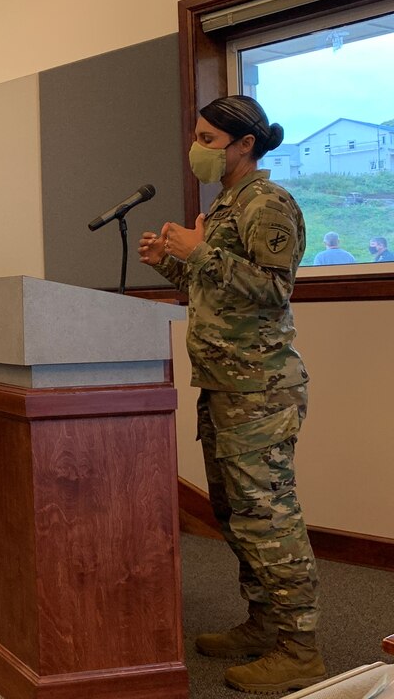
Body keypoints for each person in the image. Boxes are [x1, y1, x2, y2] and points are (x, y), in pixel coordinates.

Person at [137, 95, 325, 694]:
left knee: (269, 517)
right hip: (223, 383)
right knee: (236, 514)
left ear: (245, 144)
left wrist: (202, 253)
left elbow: (275, 289)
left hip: (260, 389)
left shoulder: (268, 203)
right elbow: (216, 287)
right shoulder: (226, 205)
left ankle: (300, 647)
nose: (198, 149)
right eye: (197, 136)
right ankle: (263, 624)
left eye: (209, 140)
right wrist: (173, 262)